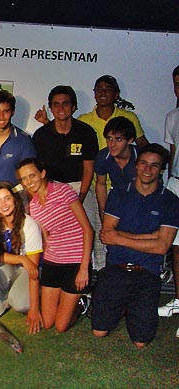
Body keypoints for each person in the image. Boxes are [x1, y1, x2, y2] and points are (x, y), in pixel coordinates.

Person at [94, 144, 179, 347]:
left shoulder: (171, 201)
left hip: (147, 273)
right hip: (116, 268)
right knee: (99, 331)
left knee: (141, 342)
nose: (147, 169)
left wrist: (120, 238)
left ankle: (130, 304)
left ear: (161, 170)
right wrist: (151, 236)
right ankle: (123, 304)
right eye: (143, 163)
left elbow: (162, 247)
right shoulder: (118, 193)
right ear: (136, 166)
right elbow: (107, 235)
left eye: (154, 165)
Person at [17, 158, 93, 333]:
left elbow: (88, 230)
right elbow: (44, 235)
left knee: (60, 326)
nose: (29, 182)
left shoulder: (63, 191)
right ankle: (64, 299)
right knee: (48, 322)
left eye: (32, 175)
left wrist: (83, 268)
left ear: (42, 174)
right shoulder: (34, 205)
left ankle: (81, 302)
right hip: (53, 262)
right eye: (24, 178)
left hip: (74, 261)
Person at [32, 86, 102, 271]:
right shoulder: (42, 135)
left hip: (79, 187)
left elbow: (88, 169)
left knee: (87, 231)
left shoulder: (85, 132)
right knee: (45, 234)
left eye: (65, 104)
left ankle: (87, 276)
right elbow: (38, 172)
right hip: (51, 189)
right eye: (56, 104)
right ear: (51, 107)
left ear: (74, 106)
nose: (61, 108)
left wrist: (80, 197)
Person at [0, 182, 44, 334]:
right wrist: (21, 259)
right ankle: (0, 302)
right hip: (13, 265)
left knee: (20, 304)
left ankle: (37, 293)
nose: (3, 204)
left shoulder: (28, 224)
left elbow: (33, 269)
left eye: (7, 199)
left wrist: (34, 308)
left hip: (30, 270)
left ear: (15, 200)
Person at [158, 65, 179, 326]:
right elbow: (172, 154)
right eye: (176, 83)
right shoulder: (172, 116)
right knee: (175, 249)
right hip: (176, 184)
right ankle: (177, 300)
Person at [77, 75, 149, 150]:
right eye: (99, 89)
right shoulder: (83, 120)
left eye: (108, 89)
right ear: (94, 94)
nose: (103, 92)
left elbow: (142, 144)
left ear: (116, 95)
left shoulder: (129, 117)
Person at [94, 117, 138, 221]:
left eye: (118, 139)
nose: (112, 145)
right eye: (109, 138)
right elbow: (101, 184)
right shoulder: (103, 157)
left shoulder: (141, 157)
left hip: (139, 198)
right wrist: (103, 212)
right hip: (116, 195)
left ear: (130, 140)